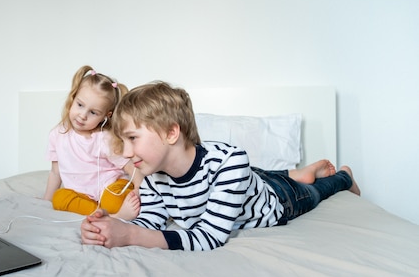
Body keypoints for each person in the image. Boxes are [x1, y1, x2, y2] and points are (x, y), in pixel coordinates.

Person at [81, 81, 361, 251]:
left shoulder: (230, 162)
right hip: (244, 181)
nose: (126, 153)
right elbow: (150, 222)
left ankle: (342, 178)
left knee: (313, 192)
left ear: (170, 133)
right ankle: (294, 171)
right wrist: (109, 227)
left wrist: (130, 235)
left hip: (278, 199)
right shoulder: (152, 174)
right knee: (254, 173)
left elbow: (209, 237)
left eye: (132, 139)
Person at [44, 65, 143, 220]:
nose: (83, 115)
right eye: (80, 105)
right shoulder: (57, 134)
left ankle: (110, 212)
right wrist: (46, 200)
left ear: (105, 116)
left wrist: (138, 189)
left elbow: (131, 168)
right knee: (59, 199)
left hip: (110, 186)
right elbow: (55, 172)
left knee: (112, 201)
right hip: (81, 194)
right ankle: (107, 215)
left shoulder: (104, 138)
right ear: (73, 98)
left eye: (93, 112)